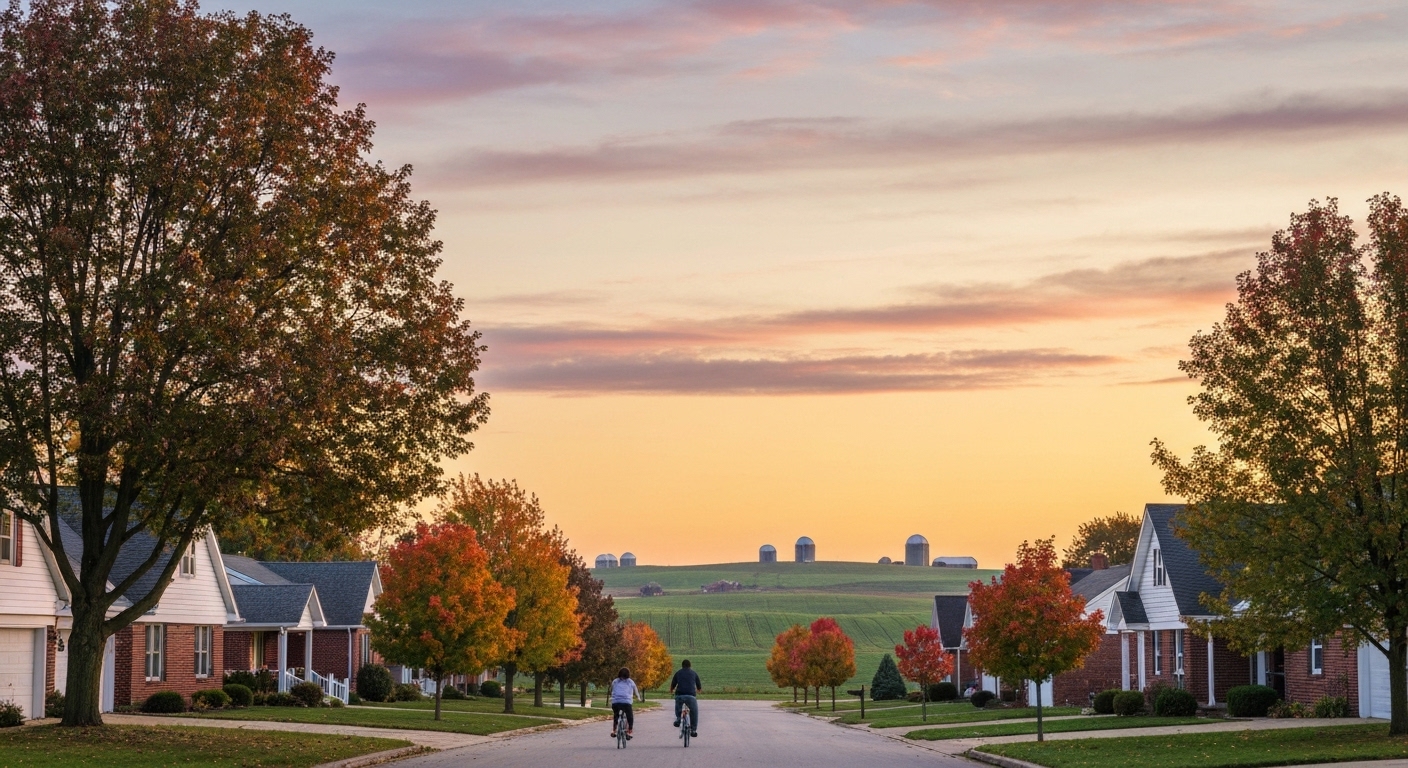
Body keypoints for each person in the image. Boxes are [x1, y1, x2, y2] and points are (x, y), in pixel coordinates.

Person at [669, 659, 702, 736]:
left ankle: (678, 719)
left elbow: (673, 684)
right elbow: (699, 687)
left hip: (680, 695)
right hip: (691, 696)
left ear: (682, 666)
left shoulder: (678, 673)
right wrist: (698, 691)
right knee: (694, 712)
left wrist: (671, 691)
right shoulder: (694, 673)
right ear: (690, 666)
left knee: (678, 706)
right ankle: (693, 730)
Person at [609, 667, 641, 740]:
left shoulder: (615, 681)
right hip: (626, 702)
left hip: (616, 702)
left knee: (616, 716)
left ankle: (614, 730)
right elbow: (636, 690)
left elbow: (612, 689)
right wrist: (639, 698)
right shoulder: (630, 682)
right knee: (630, 717)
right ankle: (630, 731)